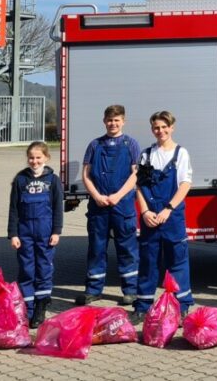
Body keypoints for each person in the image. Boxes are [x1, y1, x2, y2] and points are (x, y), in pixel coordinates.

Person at [133, 110, 194, 322]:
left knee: (177, 262)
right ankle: (142, 306)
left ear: (171, 127)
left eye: (164, 127)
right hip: (150, 217)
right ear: (152, 130)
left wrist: (168, 208)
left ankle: (182, 305)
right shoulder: (146, 155)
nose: (160, 131)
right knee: (148, 262)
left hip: (172, 217)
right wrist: (145, 211)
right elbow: (139, 186)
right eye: (156, 128)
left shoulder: (181, 154)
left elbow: (185, 184)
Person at [79, 104, 140, 305]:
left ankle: (130, 291)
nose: (113, 123)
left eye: (117, 120)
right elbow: (86, 174)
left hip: (122, 206)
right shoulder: (94, 145)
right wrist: (96, 195)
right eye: (109, 120)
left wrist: (118, 195)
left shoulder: (131, 144)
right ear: (104, 121)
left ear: (123, 121)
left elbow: (135, 174)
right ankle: (93, 290)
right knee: (96, 249)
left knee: (127, 249)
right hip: (99, 206)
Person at [8, 141, 63, 328]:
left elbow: (58, 209)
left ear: (46, 158)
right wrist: (13, 234)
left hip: (45, 233)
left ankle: (41, 307)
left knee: (44, 270)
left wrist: (57, 231)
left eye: (38, 157)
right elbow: (13, 209)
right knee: (26, 270)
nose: (34, 161)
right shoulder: (20, 180)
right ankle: (28, 310)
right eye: (31, 157)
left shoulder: (53, 180)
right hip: (24, 234)